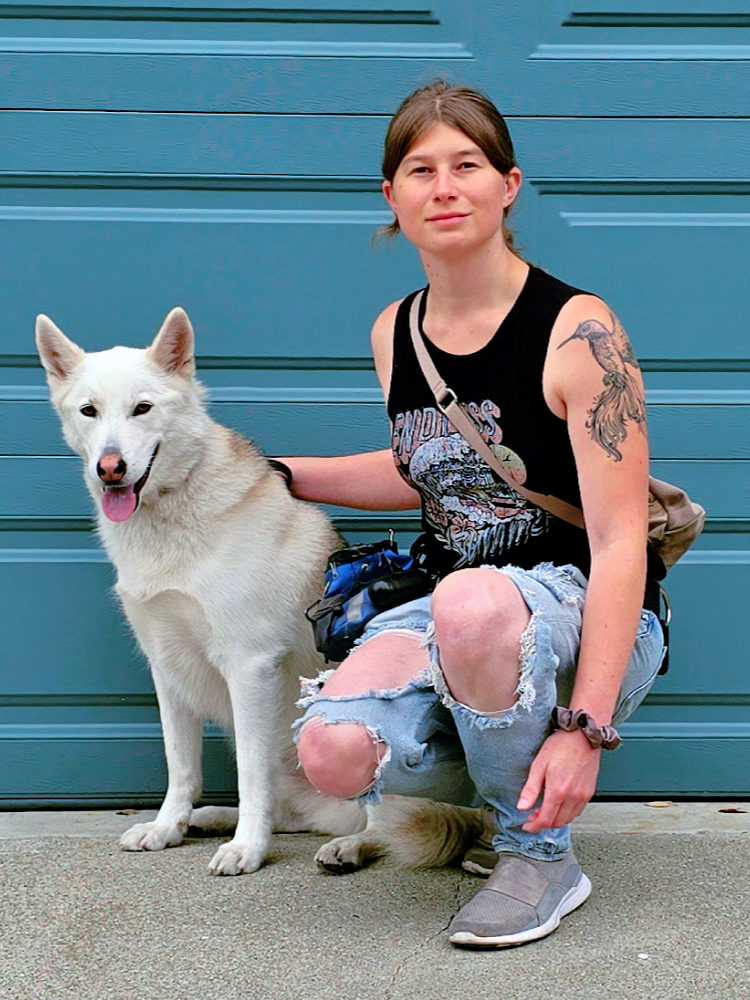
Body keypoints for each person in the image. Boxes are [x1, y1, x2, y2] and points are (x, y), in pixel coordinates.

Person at [284, 81, 665, 949]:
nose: (445, 186)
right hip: (463, 607)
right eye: (421, 169)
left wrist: (585, 732)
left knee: (474, 605)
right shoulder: (395, 331)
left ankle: (540, 853)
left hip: (585, 605)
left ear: (508, 186)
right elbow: (432, 470)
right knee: (332, 752)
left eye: (467, 166)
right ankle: (499, 808)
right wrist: (280, 474)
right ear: (393, 195)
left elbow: (617, 541)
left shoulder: (579, 334)